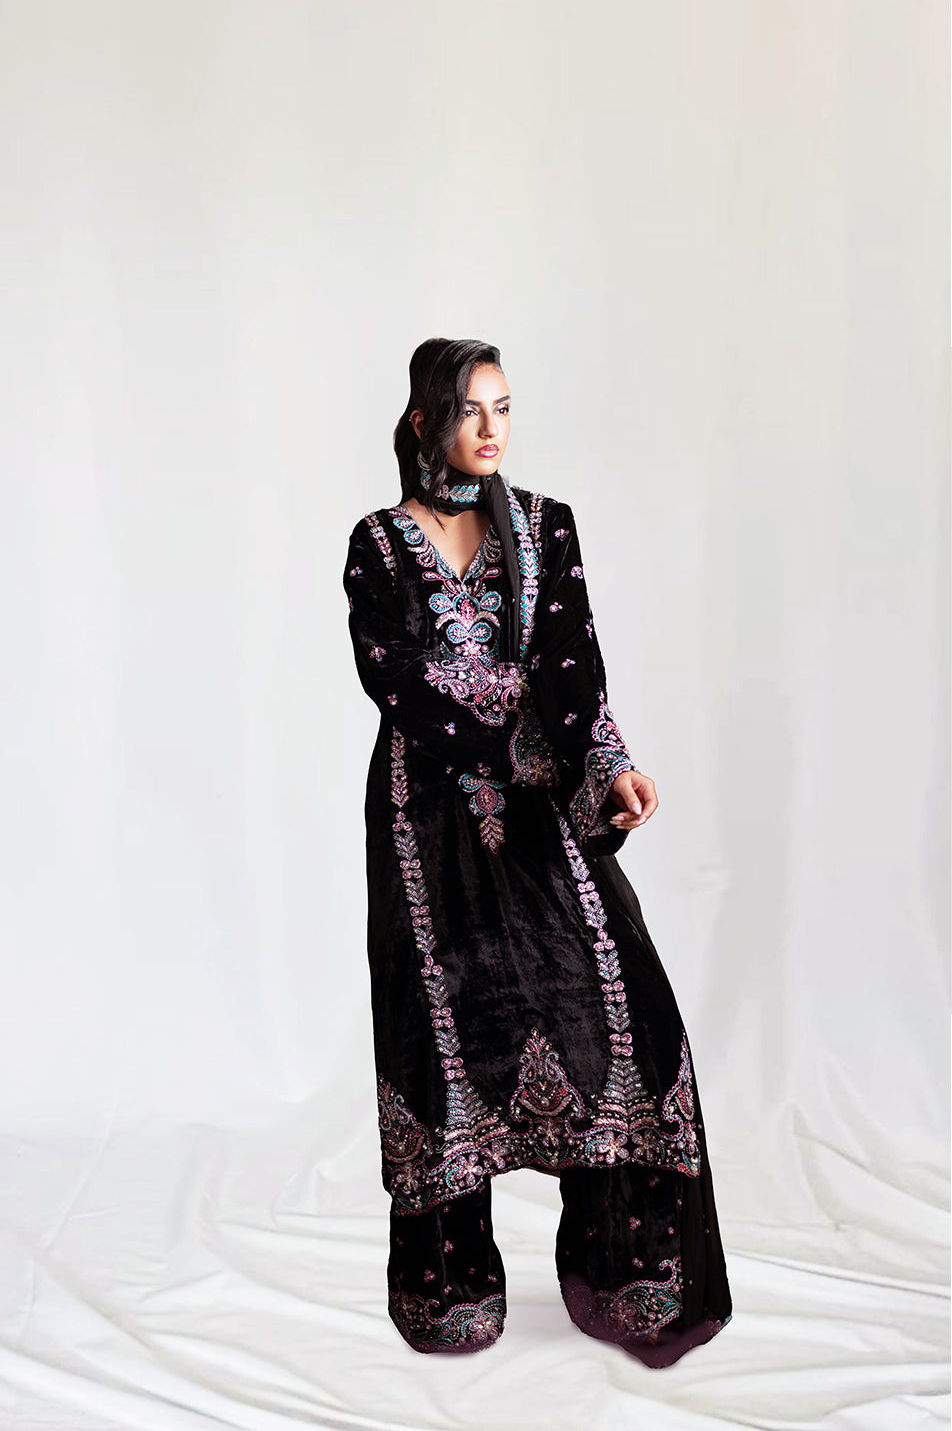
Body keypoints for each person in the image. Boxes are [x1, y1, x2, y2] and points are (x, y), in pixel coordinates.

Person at [341, 337, 732, 1362]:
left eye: (505, 408)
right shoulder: (378, 545)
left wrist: (610, 767)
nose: (491, 429)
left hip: (546, 804)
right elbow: (399, 681)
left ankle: (625, 1268)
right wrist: (518, 726)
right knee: (442, 1032)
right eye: (470, 410)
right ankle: (451, 1292)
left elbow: (573, 667)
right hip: (425, 818)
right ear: (424, 421)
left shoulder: (545, 526)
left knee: (624, 1010)